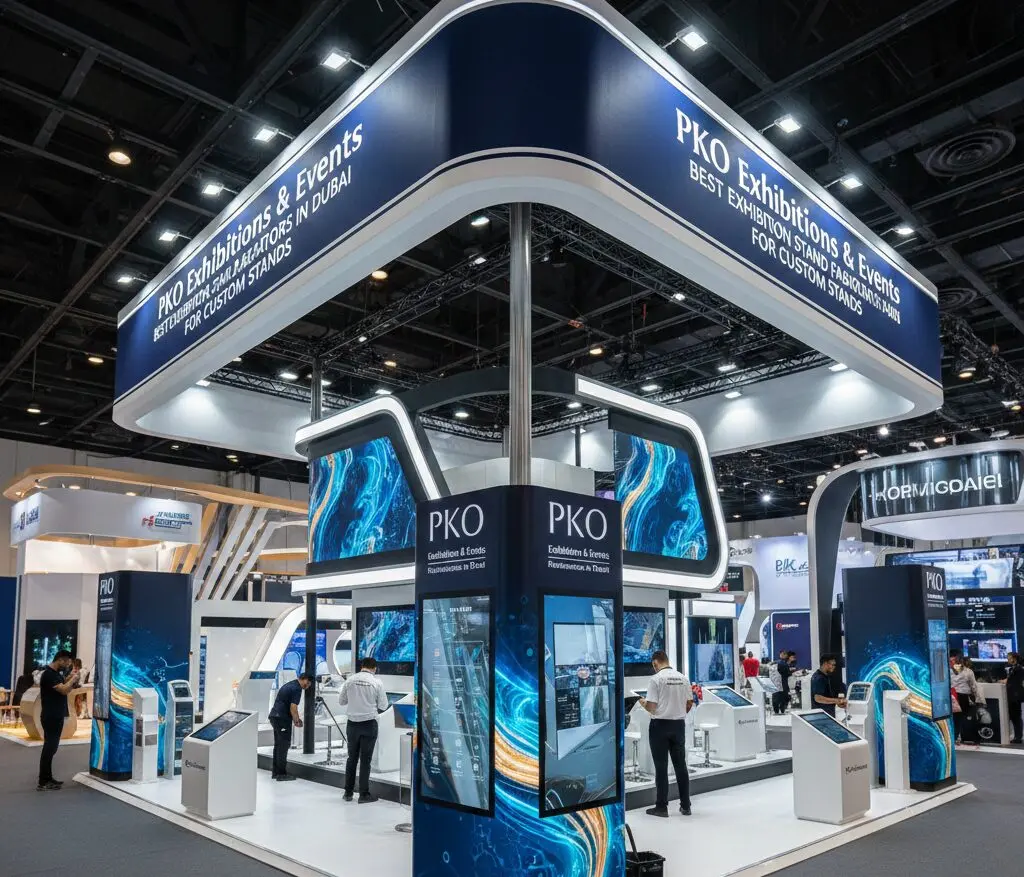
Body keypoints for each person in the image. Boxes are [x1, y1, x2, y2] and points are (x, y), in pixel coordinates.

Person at [639, 650, 694, 818]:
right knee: (681, 766)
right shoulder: (683, 678)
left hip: (660, 727)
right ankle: (686, 805)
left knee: (661, 768)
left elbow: (651, 707)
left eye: (653, 665)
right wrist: (678, 712)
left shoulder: (656, 679)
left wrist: (641, 701)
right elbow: (689, 703)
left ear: (655, 663)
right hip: (678, 726)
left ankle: (661, 807)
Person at [339, 657, 387, 803]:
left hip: (352, 725)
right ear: (374, 668)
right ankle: (363, 795)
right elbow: (383, 705)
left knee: (352, 759)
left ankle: (348, 793)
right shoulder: (377, 682)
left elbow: (342, 701)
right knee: (365, 761)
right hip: (369, 724)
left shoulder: (350, 680)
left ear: (362, 666)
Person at [37, 650, 79, 791]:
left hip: (55, 715)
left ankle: (48, 778)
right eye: (66, 662)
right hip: (51, 716)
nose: (67, 665)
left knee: (52, 748)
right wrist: (72, 680)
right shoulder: (49, 675)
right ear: (60, 659)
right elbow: (63, 690)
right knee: (50, 748)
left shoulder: (56, 674)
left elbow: (64, 686)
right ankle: (43, 781)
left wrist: (71, 680)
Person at [268, 673, 313, 781]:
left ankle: (276, 773)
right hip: (282, 719)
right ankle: (281, 774)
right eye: (308, 683)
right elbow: (293, 708)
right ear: (304, 679)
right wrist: (297, 721)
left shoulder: (290, 684)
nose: (308, 686)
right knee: (283, 746)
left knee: (278, 745)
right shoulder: (297, 688)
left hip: (275, 716)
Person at [951, 655, 981, 743]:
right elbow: (973, 686)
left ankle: (955, 737)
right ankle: (968, 737)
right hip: (963, 696)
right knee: (966, 717)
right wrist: (976, 697)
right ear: (963, 662)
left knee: (955, 718)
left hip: (952, 696)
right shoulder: (968, 671)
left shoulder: (950, 671)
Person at [810, 654, 846, 718]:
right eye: (832, 665)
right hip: (821, 716)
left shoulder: (826, 676)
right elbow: (818, 698)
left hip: (827, 714)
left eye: (834, 665)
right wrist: (837, 700)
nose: (834, 667)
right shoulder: (818, 678)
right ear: (825, 664)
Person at [1003, 652, 1024, 744]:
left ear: (1014, 659)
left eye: (1009, 658)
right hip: (1011, 696)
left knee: (1016, 717)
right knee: (1013, 716)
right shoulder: (1012, 669)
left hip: (1015, 696)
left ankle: (1018, 737)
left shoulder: (1019, 669)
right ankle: (1016, 736)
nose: (1008, 659)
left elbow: (1018, 684)